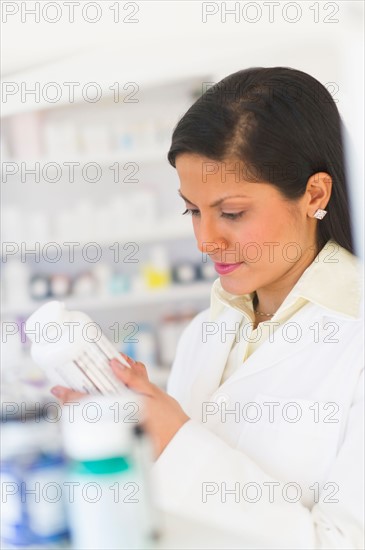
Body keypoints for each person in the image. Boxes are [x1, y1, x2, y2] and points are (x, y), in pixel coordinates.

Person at [51, 67, 364, 549]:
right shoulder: (207, 330)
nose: (205, 241)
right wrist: (132, 439)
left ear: (314, 194)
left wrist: (175, 440)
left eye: (232, 213)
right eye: (193, 211)